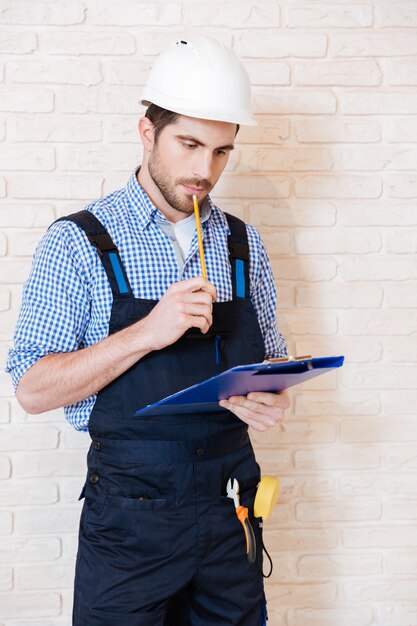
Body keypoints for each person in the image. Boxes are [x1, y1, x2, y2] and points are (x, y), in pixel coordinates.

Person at [6, 36, 289, 625]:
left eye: (220, 152)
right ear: (146, 132)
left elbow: (273, 367)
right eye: (189, 144)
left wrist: (266, 396)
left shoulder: (242, 244)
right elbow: (32, 390)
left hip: (228, 511)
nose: (203, 170)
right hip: (129, 523)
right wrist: (146, 332)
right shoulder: (79, 243)